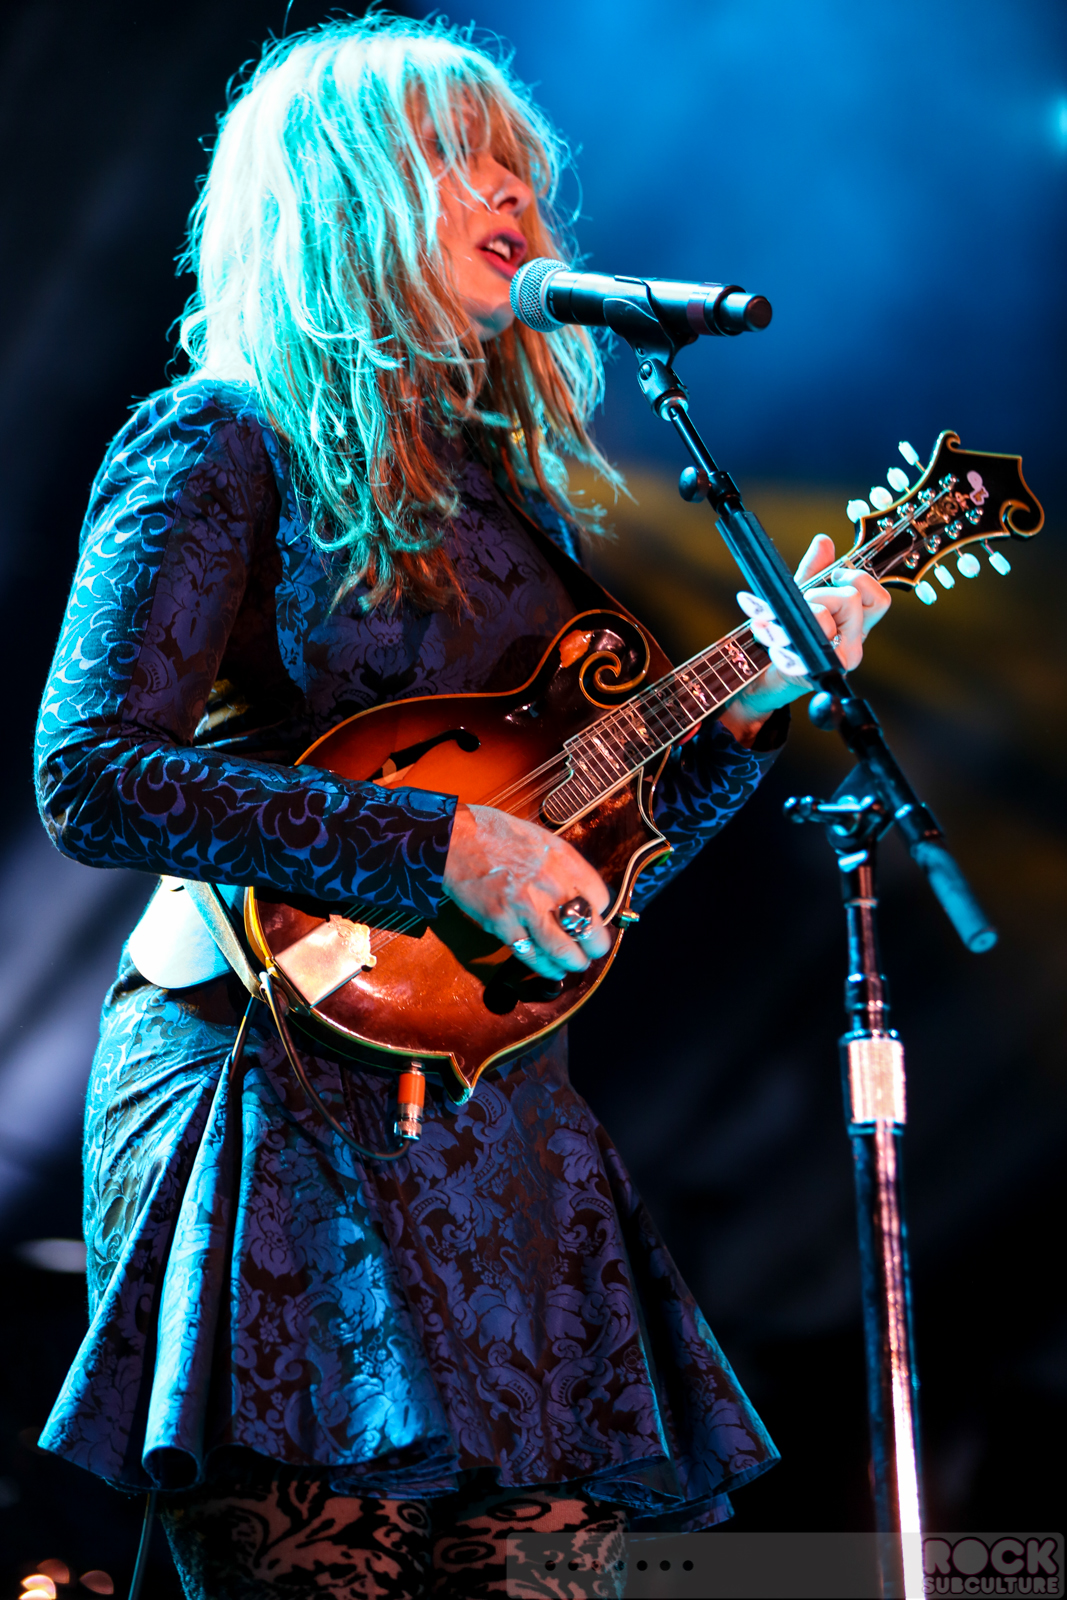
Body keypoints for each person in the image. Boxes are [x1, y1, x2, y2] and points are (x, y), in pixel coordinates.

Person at [33, 16, 890, 1599]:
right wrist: (439, 845)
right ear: (338, 201)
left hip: (504, 1119)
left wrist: (749, 716)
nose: (513, 193)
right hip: (267, 1082)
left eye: (519, 165)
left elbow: (580, 885)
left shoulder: (513, 509)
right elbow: (88, 773)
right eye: (454, 158)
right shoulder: (222, 439)